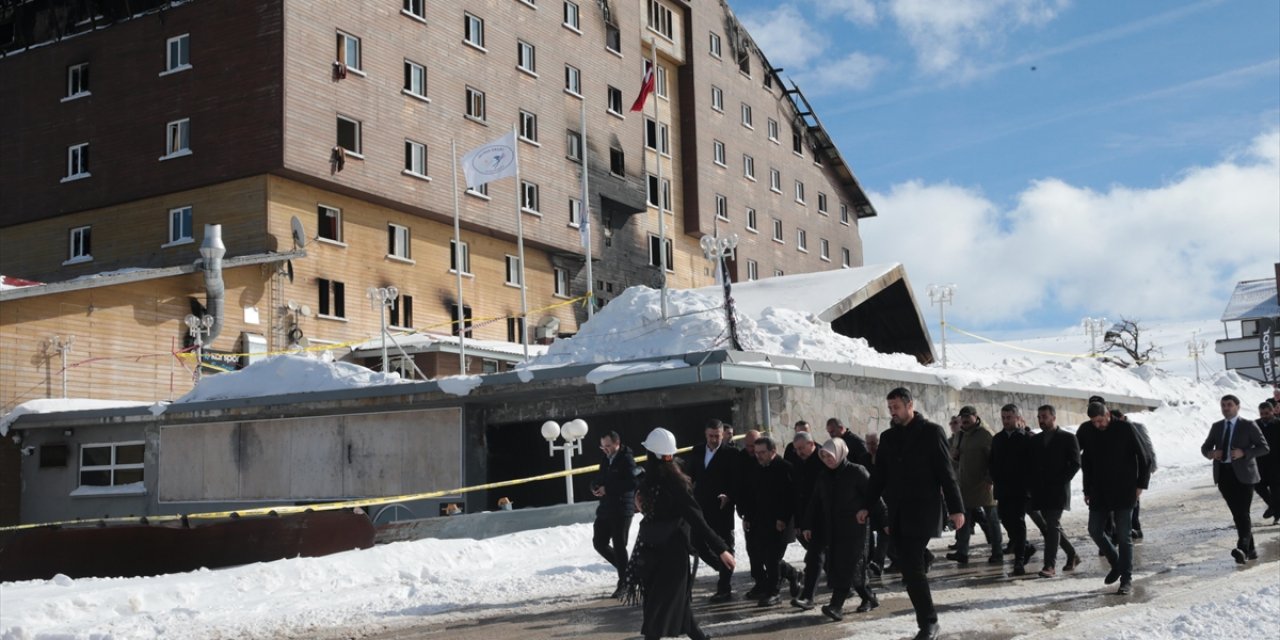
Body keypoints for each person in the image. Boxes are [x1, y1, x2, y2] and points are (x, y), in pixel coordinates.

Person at [858, 387, 964, 640]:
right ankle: (924, 565)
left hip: (924, 509)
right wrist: (866, 505)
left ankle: (929, 623)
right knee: (908, 562)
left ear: (910, 405)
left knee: (911, 567)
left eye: (896, 407)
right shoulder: (888, 437)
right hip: (897, 511)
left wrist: (957, 508)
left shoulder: (931, 432)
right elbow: (879, 477)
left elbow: (946, 474)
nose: (892, 412)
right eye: (890, 407)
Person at [624, 428, 736, 640]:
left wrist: (720, 548)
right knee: (673, 611)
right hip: (666, 554)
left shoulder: (658, 482)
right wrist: (721, 548)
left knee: (657, 611)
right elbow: (692, 518)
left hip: (659, 554)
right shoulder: (663, 481)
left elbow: (694, 519)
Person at [804, 438, 883, 620]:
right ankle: (869, 598)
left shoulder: (856, 472)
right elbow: (815, 502)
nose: (827, 459)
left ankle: (836, 606)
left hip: (856, 528)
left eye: (830, 456)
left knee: (848, 566)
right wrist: (807, 524)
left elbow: (873, 497)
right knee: (849, 569)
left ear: (840, 453)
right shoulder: (824, 476)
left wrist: (885, 521)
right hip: (833, 529)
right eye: (823, 456)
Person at [1078, 402, 1149, 595]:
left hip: (1124, 489)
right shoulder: (1087, 430)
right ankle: (1116, 562)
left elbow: (1143, 456)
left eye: (1100, 420)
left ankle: (1126, 578)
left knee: (1124, 536)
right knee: (1094, 530)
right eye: (1094, 422)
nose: (1097, 425)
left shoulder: (1125, 428)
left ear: (1108, 414)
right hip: (1099, 490)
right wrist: (1087, 489)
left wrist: (1140, 484)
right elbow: (1085, 462)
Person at [1200, 394, 1270, 563]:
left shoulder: (1248, 425)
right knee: (1238, 513)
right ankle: (1251, 549)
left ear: (1237, 407)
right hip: (1224, 475)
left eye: (1229, 405)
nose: (1226, 408)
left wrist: (1244, 452)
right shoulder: (1217, 427)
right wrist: (1211, 453)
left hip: (1245, 475)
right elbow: (1205, 447)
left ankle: (1242, 548)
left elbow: (1264, 447)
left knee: (1242, 512)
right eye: (1223, 405)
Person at [737, 436, 801, 607]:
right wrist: (747, 517)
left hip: (781, 522)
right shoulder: (756, 469)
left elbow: (790, 498)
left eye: (762, 452)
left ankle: (774, 592)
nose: (758, 456)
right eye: (756, 453)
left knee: (772, 559)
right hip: (760, 521)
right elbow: (751, 496)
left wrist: (783, 518)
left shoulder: (785, 468)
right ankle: (793, 574)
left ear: (773, 451)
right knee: (764, 556)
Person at [684, 419, 738, 601]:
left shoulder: (731, 453)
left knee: (725, 545)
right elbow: (689, 474)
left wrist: (729, 494)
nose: (714, 439)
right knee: (697, 542)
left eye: (717, 436)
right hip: (701, 506)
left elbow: (736, 480)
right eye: (711, 436)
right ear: (706, 435)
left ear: (723, 435)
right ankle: (722, 569)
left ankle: (725, 587)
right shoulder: (697, 450)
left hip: (722, 507)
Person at [1027, 405, 1081, 578]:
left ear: (1053, 417)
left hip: (1058, 491)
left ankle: (1049, 566)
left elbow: (1075, 463)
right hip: (1041, 491)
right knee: (1052, 526)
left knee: (1052, 525)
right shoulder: (1035, 440)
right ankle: (1072, 554)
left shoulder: (1068, 438)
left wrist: (1060, 480)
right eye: (1039, 417)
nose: (1041, 420)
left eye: (1044, 417)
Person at [948, 405, 1001, 565]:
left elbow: (995, 459)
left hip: (984, 485)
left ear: (975, 416)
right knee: (964, 520)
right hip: (965, 484)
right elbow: (956, 459)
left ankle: (997, 552)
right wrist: (955, 457)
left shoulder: (986, 434)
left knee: (992, 520)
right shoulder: (960, 435)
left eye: (967, 417)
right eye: (962, 417)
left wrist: (990, 478)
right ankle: (962, 552)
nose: (964, 420)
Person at [592, 431, 638, 598]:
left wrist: (608, 489)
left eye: (608, 446)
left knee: (619, 545)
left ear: (617, 443)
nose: (606, 450)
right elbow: (601, 477)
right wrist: (595, 486)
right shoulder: (605, 458)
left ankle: (625, 582)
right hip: (606, 508)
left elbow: (632, 482)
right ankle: (629, 573)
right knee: (599, 542)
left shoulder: (626, 458)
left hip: (622, 508)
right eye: (603, 447)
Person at [990, 404, 1032, 575]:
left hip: (1020, 489)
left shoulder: (1025, 438)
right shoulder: (998, 438)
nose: (1006, 421)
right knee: (1006, 520)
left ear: (1017, 418)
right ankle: (1026, 547)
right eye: (1003, 418)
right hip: (1003, 488)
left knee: (1018, 522)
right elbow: (992, 460)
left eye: (1009, 417)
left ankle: (1019, 560)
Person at [789, 431, 826, 610]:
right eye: (796, 449)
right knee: (820, 556)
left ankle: (808, 596)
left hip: (824, 518)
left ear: (812, 444)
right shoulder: (798, 463)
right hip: (806, 519)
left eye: (802, 448)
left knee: (814, 558)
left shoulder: (823, 460)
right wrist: (798, 522)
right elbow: (797, 494)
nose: (799, 452)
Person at [1111, 407, 1157, 541]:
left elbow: (1148, 447)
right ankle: (1131, 527)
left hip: (1138, 467)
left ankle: (1134, 527)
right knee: (1131, 500)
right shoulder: (1113, 429)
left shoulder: (1137, 427)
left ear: (1121, 417)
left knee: (1134, 498)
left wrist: (1152, 465)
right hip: (1124, 469)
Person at [1253, 401, 1280, 524]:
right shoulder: (1255, 425)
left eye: (1267, 413)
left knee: (1275, 489)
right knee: (1258, 485)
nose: (1264, 415)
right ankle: (1275, 508)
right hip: (1260, 462)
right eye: (1262, 413)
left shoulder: (1278, 423)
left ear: (1273, 411)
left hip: (1276, 462)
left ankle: (1276, 514)